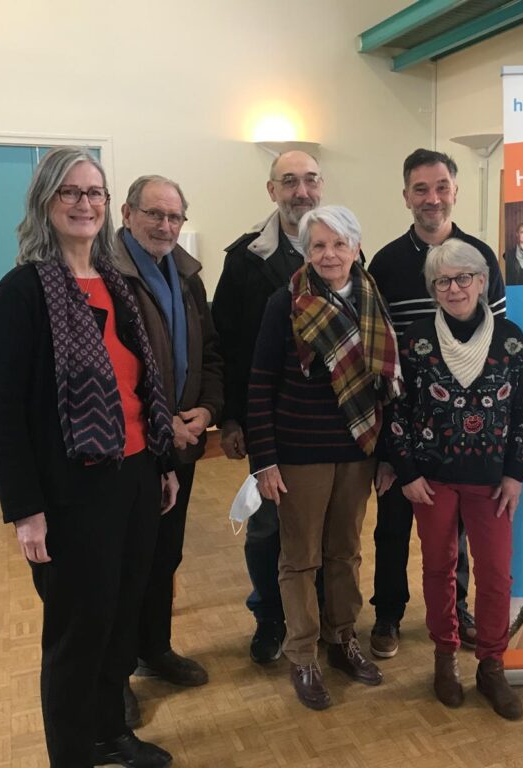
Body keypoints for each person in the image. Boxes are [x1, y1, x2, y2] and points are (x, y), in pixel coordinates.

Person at [0, 147, 177, 768]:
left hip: (137, 477)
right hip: (72, 492)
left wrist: (163, 464)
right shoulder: (21, 293)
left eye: (94, 192)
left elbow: (142, 385)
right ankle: (72, 754)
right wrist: (25, 511)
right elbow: (1, 413)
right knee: (77, 632)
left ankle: (109, 732)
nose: (84, 204)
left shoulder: (116, 284)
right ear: (45, 201)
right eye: (70, 192)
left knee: (121, 620)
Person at [247, 205, 400, 711]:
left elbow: (386, 391)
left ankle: (341, 638)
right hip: (299, 454)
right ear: (306, 251)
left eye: (339, 244)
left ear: (356, 247)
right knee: (299, 559)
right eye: (318, 246)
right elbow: (262, 380)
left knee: (345, 553)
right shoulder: (284, 303)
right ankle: (303, 653)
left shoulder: (374, 299)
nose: (329, 254)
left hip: (358, 451)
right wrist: (263, 459)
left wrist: (386, 456)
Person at [383, 238, 523, 720]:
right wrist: (407, 472)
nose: (454, 288)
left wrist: (515, 474)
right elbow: (396, 410)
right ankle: (445, 658)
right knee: (439, 570)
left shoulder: (510, 338)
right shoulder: (414, 339)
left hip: (492, 482)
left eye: (464, 278)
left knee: (495, 573)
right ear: (433, 288)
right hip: (434, 480)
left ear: (482, 282)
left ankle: (491, 665)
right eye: (443, 281)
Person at [367, 148, 507, 659]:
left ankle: (457, 610)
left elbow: (496, 341)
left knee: (458, 537)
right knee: (392, 528)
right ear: (406, 196)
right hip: (404, 426)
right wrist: (387, 447)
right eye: (421, 189)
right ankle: (387, 613)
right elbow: (377, 355)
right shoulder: (384, 263)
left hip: (465, 433)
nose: (432, 197)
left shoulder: (481, 256)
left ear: (455, 190)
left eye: (441, 186)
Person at [114, 175, 223, 716]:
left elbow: (209, 353)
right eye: (153, 214)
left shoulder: (185, 276)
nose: (164, 225)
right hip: (133, 448)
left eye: (173, 217)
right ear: (128, 214)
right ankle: (112, 679)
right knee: (123, 564)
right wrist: (164, 424)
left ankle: (153, 649)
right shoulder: (108, 275)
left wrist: (206, 410)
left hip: (182, 441)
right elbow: (116, 373)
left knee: (164, 555)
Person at [211, 150, 322, 665]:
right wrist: (230, 417)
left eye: (310, 181)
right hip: (268, 418)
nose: (302, 191)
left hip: (329, 424)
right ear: (271, 190)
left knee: (320, 525)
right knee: (267, 527)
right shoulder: (244, 259)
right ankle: (270, 617)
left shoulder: (343, 248)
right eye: (290, 181)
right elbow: (225, 342)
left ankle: (316, 617)